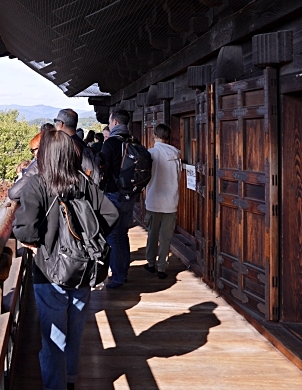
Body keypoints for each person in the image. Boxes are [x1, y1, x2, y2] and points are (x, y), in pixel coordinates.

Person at [13, 129, 119, 390]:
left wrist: (38, 245)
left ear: (45, 155)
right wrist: (89, 240)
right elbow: (111, 213)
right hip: (82, 269)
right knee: (74, 330)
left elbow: (24, 229)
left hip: (49, 273)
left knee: (53, 339)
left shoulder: (37, 184)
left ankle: (55, 385)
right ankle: (71, 378)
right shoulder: (82, 182)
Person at [97, 108, 144, 289]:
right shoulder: (134, 141)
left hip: (113, 194)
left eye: (110, 121)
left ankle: (118, 276)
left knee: (112, 236)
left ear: (115, 122)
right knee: (123, 233)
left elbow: (102, 169)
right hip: (130, 195)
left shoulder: (110, 144)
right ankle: (122, 271)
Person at [145, 123, 181, 279]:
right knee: (166, 236)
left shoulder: (150, 154)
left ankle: (150, 263)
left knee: (152, 233)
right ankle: (162, 267)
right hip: (171, 201)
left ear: (155, 136)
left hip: (153, 199)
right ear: (168, 137)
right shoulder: (176, 155)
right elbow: (178, 177)